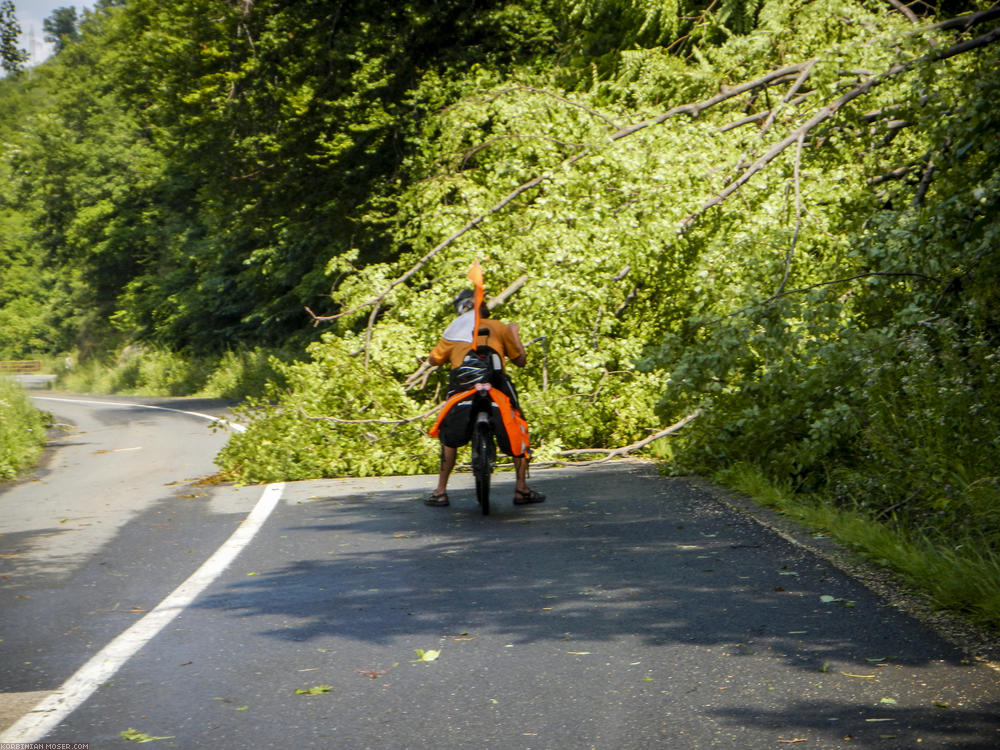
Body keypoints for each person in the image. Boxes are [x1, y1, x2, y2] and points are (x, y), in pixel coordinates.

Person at [424, 288, 545, 507]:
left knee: (448, 433)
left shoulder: (454, 329)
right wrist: (513, 332)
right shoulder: (498, 327)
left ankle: (440, 491)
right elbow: (520, 361)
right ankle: (521, 489)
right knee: (517, 422)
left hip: (463, 389)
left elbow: (434, 360)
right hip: (497, 388)